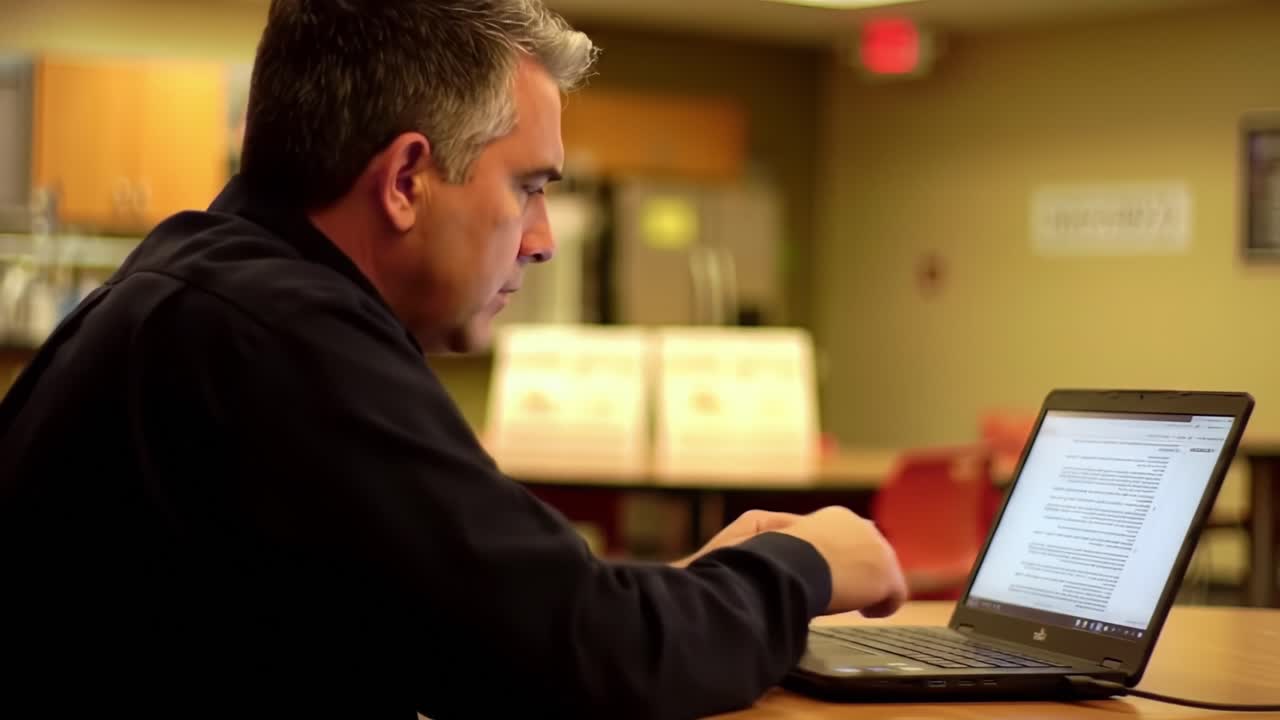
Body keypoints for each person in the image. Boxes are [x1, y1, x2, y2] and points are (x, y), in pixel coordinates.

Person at [0, 1, 906, 718]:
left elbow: (492, 622)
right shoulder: (280, 339)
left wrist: (690, 592)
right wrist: (807, 565)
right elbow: (590, 663)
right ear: (405, 180)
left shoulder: (206, 289)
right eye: (528, 188)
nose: (542, 239)